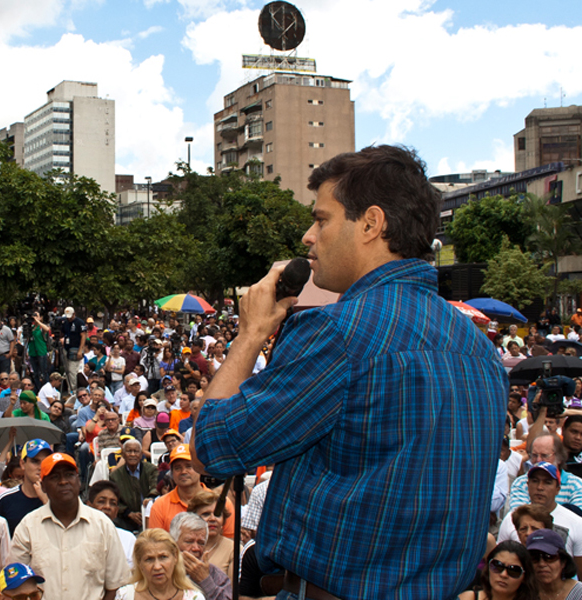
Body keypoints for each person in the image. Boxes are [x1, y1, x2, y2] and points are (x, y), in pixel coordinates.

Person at [191, 146, 508, 600]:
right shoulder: (479, 348)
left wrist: (250, 334)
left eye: (321, 219)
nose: (307, 236)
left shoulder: (339, 333)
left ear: (371, 223)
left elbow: (210, 448)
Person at [9, 452, 126, 600]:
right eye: (55, 477)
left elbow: (114, 586)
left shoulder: (102, 525)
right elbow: (17, 584)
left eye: (69, 475)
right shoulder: (28, 527)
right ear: (43, 486)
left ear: (79, 481)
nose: (63, 481)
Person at [497, 463, 582, 570]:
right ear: (527, 485)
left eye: (547, 482)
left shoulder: (576, 523)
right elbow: (501, 558)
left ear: (557, 489)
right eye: (535, 481)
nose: (540, 487)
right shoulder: (511, 518)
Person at [149, 444, 234, 536]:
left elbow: (230, 541)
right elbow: (156, 544)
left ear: (199, 468)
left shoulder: (221, 503)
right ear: (172, 473)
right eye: (177, 468)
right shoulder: (159, 506)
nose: (183, 472)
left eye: (189, 466)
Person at [115, 527, 203, 600]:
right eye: (149, 559)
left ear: (175, 557)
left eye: (163, 557)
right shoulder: (125, 596)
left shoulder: (194, 597)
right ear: (139, 562)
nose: (157, 567)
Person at [0, 441, 51, 538]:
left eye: (45, 462)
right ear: (22, 464)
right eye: (35, 461)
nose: (40, 467)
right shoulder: (5, 500)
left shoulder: (59, 498)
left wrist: (47, 501)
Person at [169, 512, 230, 600]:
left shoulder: (215, 574)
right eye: (189, 541)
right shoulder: (163, 571)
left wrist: (205, 581)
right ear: (173, 543)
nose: (196, 548)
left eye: (201, 543)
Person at [458, 540, 537, 600]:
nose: (503, 575)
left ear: (524, 577)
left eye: (513, 571)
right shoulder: (469, 598)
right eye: (497, 566)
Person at [109, 438, 157, 532]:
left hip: (149, 514)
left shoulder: (152, 470)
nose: (132, 454)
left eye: (136, 451)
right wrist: (129, 513)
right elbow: (114, 499)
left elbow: (155, 487)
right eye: (129, 451)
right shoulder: (115, 476)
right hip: (126, 518)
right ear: (123, 454)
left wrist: (150, 499)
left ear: (141, 454)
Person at [86, 480, 137, 568]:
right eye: (101, 502)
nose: (107, 507)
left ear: (116, 511)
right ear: (89, 506)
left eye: (112, 503)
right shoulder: (80, 535)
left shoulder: (128, 539)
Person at [186, 490, 234, 578]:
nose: (212, 519)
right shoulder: (182, 547)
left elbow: (231, 591)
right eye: (206, 514)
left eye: (217, 514)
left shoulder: (233, 549)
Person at [526, 529, 582, 600]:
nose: (542, 564)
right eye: (534, 558)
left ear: (563, 562)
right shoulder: (523, 593)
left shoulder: (579, 594)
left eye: (549, 557)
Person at [58, 307, 86, 394]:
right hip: (66, 348)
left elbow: (83, 336)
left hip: (75, 348)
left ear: (74, 314)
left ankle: (73, 391)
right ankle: (69, 389)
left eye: (70, 316)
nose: (69, 318)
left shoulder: (79, 323)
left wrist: (80, 350)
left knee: (72, 370)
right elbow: (62, 334)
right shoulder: (65, 322)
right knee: (67, 371)